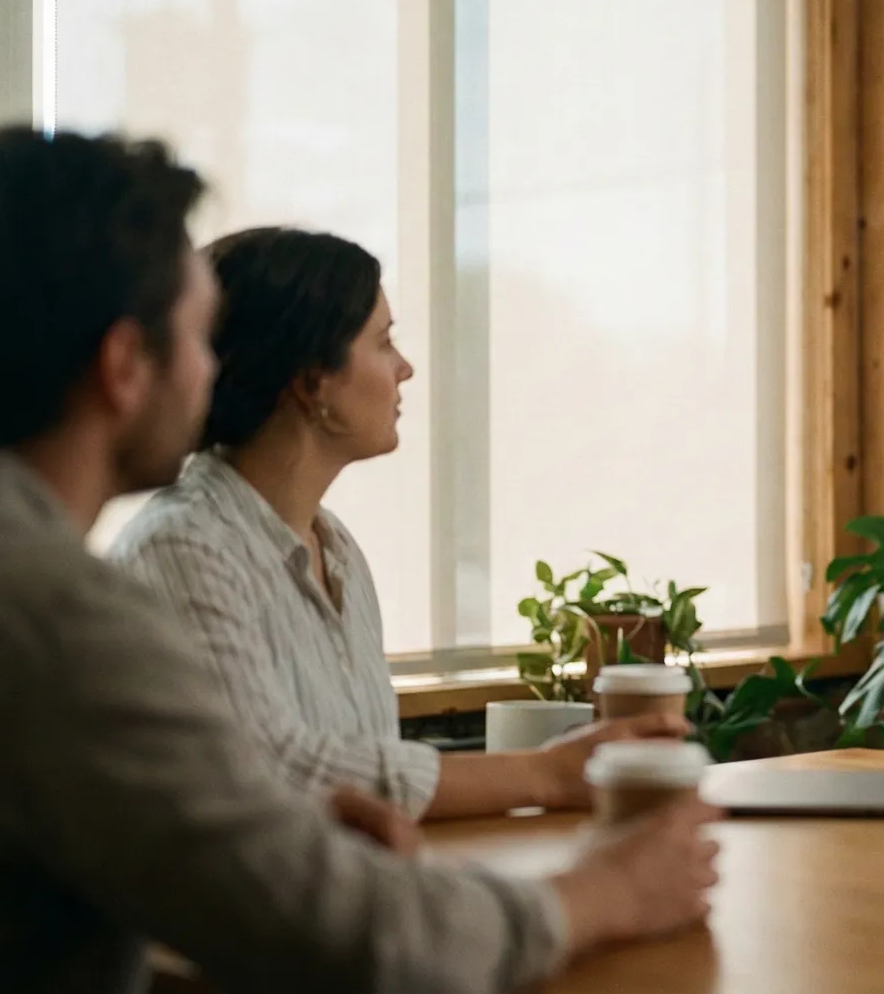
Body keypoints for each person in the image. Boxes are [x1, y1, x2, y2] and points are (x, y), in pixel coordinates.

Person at [0, 128, 718, 993]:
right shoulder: (43, 613)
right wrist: (604, 889)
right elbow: (351, 942)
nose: (212, 369)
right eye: (196, 335)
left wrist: (265, 827)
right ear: (122, 366)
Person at [109, 226, 683, 820]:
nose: (404, 368)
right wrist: (541, 773)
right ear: (312, 382)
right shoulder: (180, 550)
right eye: (383, 342)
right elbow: (270, 773)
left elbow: (364, 765)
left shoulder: (338, 551)